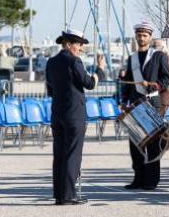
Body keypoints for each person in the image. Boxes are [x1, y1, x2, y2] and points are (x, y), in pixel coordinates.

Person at [46, 28, 98, 205]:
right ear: (68, 44)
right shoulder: (74, 61)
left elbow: (50, 90)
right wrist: (99, 72)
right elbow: (88, 83)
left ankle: (60, 195)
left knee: (59, 154)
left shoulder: (51, 62)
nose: (81, 48)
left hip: (57, 113)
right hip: (74, 115)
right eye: (79, 44)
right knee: (72, 154)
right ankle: (68, 195)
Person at [120, 21, 169, 191]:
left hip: (152, 102)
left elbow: (167, 78)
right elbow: (127, 82)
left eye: (144, 35)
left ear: (150, 37)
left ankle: (151, 180)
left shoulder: (158, 56)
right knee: (135, 143)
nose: (141, 38)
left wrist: (153, 85)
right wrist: (124, 100)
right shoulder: (132, 58)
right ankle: (138, 178)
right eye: (139, 35)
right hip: (135, 104)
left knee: (152, 144)